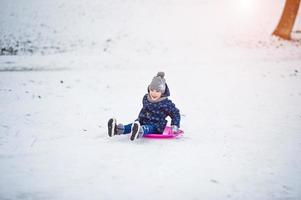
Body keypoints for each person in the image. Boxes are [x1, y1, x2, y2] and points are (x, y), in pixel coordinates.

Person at [108, 72, 181, 141]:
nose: (154, 93)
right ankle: (118, 130)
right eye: (152, 90)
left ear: (162, 93)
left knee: (148, 128)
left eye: (157, 91)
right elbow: (144, 110)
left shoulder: (166, 103)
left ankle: (140, 131)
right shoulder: (146, 98)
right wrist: (139, 120)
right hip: (143, 121)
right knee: (132, 126)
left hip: (156, 126)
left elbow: (175, 113)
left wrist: (175, 125)